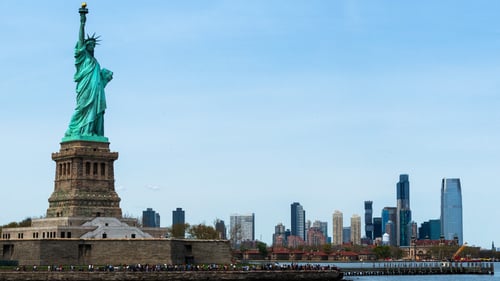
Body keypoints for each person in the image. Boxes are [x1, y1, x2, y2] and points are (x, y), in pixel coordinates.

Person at [64, 6, 112, 140]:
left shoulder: (95, 62)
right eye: (89, 44)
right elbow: (80, 39)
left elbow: (98, 79)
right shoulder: (82, 57)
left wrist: (104, 80)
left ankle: (90, 131)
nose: (92, 47)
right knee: (82, 108)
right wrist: (82, 21)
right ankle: (73, 129)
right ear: (85, 46)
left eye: (93, 45)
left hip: (95, 91)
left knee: (93, 111)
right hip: (85, 88)